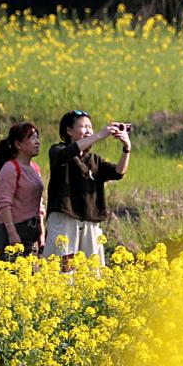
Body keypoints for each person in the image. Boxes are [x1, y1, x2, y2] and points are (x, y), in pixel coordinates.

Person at [43, 109, 131, 269]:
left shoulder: (93, 160)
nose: (89, 131)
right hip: (65, 219)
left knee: (91, 270)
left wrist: (126, 148)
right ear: (69, 130)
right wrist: (98, 136)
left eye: (90, 127)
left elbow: (119, 172)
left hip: (89, 220)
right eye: (84, 127)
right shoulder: (57, 150)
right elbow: (65, 155)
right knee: (64, 270)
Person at [0, 122, 45, 258]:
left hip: (30, 230)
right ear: (18, 144)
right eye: (32, 138)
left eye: (37, 137)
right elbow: (4, 204)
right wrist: (12, 233)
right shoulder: (10, 168)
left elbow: (39, 204)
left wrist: (41, 232)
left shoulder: (34, 168)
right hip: (14, 229)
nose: (37, 142)